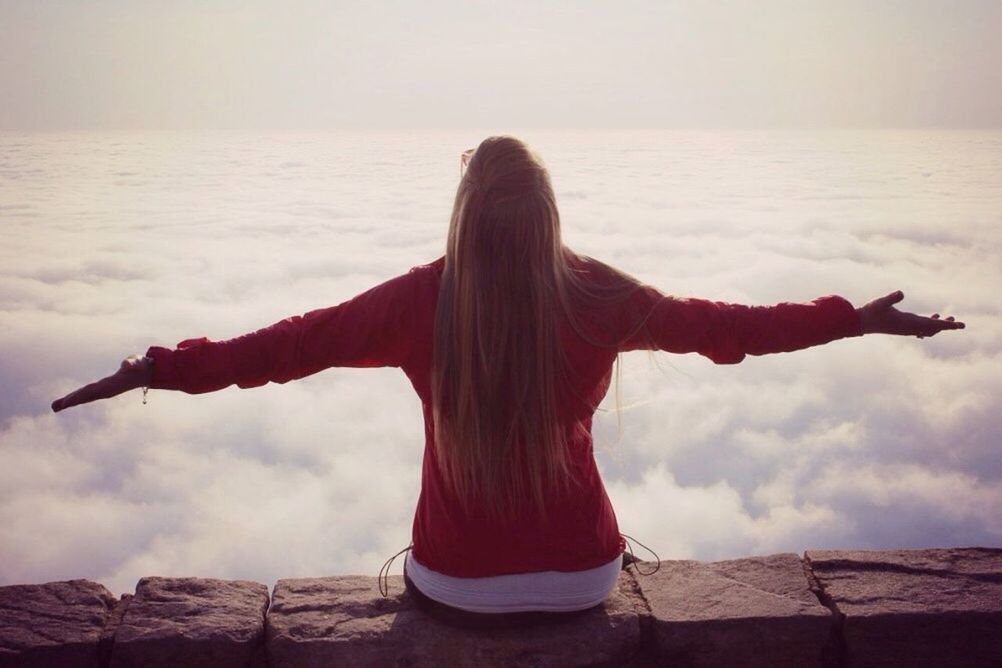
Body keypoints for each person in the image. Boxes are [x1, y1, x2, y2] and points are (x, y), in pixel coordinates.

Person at [51, 135, 965, 627]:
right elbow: (731, 330)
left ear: (463, 211)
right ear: (549, 212)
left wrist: (158, 370)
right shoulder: (598, 294)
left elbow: (284, 347)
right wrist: (852, 317)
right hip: (585, 579)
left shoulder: (421, 302)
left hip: (454, 584)